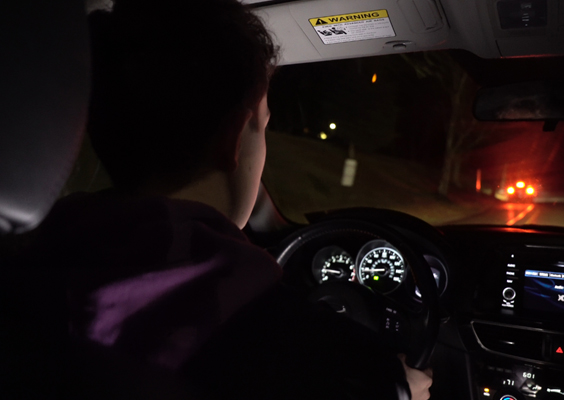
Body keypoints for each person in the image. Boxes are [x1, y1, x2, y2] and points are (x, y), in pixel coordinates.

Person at [20, 0, 432, 398]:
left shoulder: (27, 264)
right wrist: (397, 388)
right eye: (263, 124)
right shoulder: (292, 345)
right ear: (237, 135)